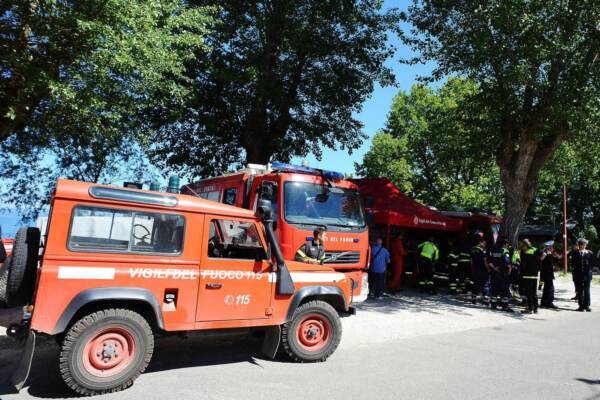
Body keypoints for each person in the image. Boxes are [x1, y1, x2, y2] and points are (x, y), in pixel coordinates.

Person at [489, 239, 513, 312]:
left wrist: (494, 268)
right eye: (507, 245)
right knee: (505, 289)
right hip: (503, 273)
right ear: (504, 244)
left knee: (494, 289)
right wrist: (509, 271)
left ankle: (493, 304)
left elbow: (489, 261)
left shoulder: (493, 251)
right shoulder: (505, 251)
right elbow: (507, 263)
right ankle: (504, 306)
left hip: (494, 273)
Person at [572, 238, 593, 312]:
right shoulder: (575, 253)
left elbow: (591, 264)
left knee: (587, 290)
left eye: (585, 244)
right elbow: (573, 264)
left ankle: (587, 305)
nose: (584, 246)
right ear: (580, 245)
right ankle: (581, 306)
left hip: (587, 274)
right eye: (583, 244)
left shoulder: (590, 253)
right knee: (580, 290)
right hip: (578, 274)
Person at [520, 239, 541, 314]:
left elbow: (523, 265)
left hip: (527, 276)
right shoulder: (536, 249)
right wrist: (538, 264)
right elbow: (544, 254)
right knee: (534, 293)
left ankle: (530, 309)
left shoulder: (526, 253)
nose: (522, 248)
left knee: (529, 293)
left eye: (523, 246)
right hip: (535, 275)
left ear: (525, 245)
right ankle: (536, 309)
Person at [470, 238, 490, 305]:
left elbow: (471, 261)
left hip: (475, 270)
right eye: (484, 243)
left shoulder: (473, 249)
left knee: (475, 284)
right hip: (482, 270)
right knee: (485, 285)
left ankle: (473, 299)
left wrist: (472, 269)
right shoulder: (483, 250)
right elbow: (485, 261)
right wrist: (488, 269)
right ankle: (485, 301)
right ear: (480, 242)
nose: (485, 245)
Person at [540, 241, 558, 309]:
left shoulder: (549, 253)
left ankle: (544, 302)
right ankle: (549, 302)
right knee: (550, 288)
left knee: (547, 288)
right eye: (551, 247)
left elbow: (555, 259)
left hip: (549, 273)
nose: (552, 248)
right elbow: (541, 260)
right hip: (546, 273)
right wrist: (543, 256)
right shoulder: (544, 253)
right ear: (549, 247)